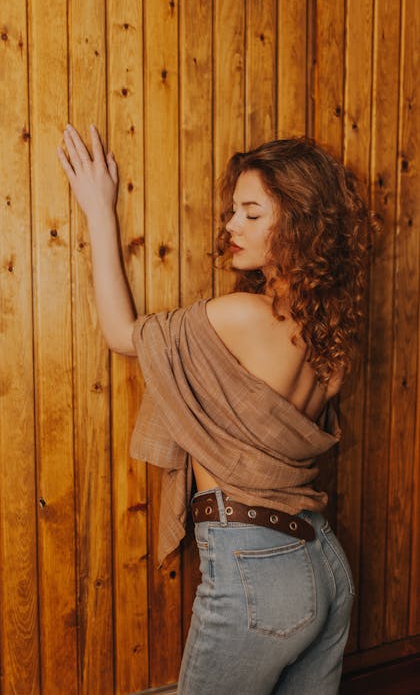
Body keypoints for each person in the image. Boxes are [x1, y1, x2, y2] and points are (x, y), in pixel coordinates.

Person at [57, 124, 379, 694]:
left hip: (256, 566)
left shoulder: (244, 316)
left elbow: (121, 333)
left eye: (251, 213)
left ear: (300, 223)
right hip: (323, 563)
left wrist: (99, 212)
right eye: (234, 210)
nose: (231, 225)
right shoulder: (334, 341)